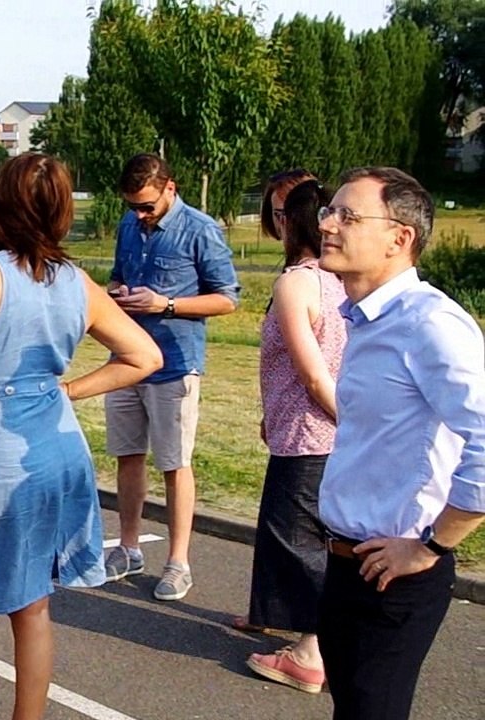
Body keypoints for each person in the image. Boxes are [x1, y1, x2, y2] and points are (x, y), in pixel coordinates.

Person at [0, 153, 162, 720]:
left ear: (0, 207)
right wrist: (68, 390)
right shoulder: (76, 281)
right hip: (54, 447)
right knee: (31, 604)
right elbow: (144, 355)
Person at [314, 166, 485, 720]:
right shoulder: (367, 320)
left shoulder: (429, 324)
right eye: (329, 211)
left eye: (348, 215)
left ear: (400, 238)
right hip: (347, 563)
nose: (328, 224)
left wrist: (432, 546)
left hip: (397, 574)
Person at [102, 152, 240, 601]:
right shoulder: (128, 225)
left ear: (170, 188)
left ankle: (178, 562)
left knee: (174, 463)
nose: (140, 215)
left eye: (147, 206)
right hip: (125, 358)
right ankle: (128, 547)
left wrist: (167, 304)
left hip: (174, 364)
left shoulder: (200, 229)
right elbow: (117, 277)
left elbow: (227, 299)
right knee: (127, 455)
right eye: (133, 207)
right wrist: (116, 294)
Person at [242, 178, 345, 694]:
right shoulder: (341, 280)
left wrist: (347, 419)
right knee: (302, 533)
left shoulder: (298, 283)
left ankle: (310, 653)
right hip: (313, 429)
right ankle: (277, 618)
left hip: (311, 431)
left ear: (290, 222)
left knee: (299, 539)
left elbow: (311, 372)